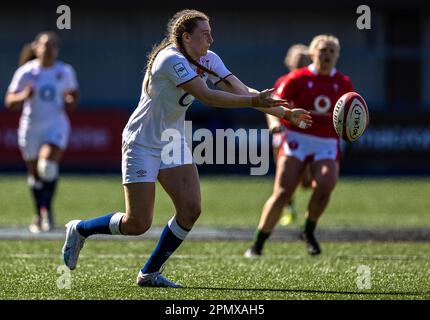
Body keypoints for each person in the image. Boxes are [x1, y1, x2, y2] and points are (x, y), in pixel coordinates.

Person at [61, 9, 312, 288]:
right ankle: (80, 229)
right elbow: (207, 96)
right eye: (205, 34)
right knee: (137, 223)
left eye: (210, 33)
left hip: (172, 140)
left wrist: (285, 114)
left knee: (190, 209)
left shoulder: (208, 58)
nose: (211, 39)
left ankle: (149, 273)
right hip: (141, 141)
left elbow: (241, 89)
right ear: (186, 36)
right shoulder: (170, 59)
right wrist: (255, 104)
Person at [245, 34, 354, 257]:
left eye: (332, 51)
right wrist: (275, 124)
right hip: (297, 138)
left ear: (338, 56)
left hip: (326, 141)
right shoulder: (297, 78)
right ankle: (258, 244)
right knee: (283, 191)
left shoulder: (343, 83)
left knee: (326, 184)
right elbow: (273, 104)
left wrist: (354, 128)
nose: (327, 55)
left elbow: (354, 114)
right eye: (323, 50)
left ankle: (308, 230)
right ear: (312, 53)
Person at [4, 31, 79, 233]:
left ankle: (47, 215)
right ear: (36, 47)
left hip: (55, 125)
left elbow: (73, 96)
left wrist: (69, 101)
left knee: (47, 166)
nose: (48, 50)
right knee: (35, 176)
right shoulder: (26, 72)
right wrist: (23, 96)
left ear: (57, 50)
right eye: (45, 45)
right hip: (31, 128)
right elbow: (9, 101)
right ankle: (40, 213)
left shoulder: (65, 71)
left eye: (53, 46)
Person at [265, 44, 312, 226]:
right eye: (297, 58)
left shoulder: (314, 82)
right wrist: (275, 123)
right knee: (284, 177)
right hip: (286, 134)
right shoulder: (284, 81)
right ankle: (289, 207)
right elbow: (271, 106)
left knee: (306, 182)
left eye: (305, 58)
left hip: (309, 136)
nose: (300, 62)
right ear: (289, 61)